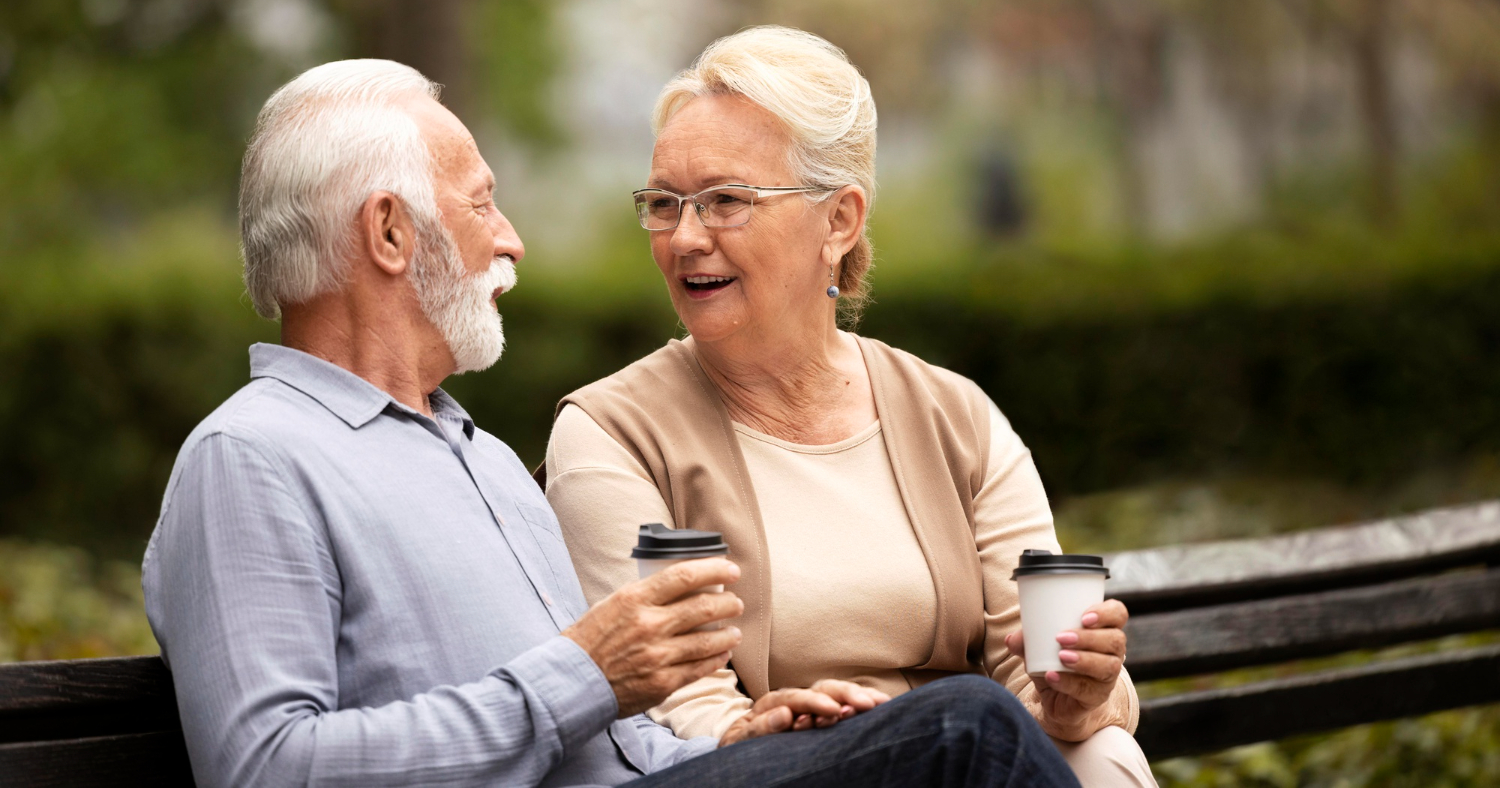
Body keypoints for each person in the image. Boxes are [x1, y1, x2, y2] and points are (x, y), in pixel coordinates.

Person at [142, 58, 1083, 788]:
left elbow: (610, 740)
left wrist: (748, 739)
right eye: (481, 203)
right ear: (389, 233)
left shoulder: (485, 460)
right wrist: (581, 676)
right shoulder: (252, 458)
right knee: (967, 730)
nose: (511, 238)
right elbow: (265, 769)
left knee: (943, 737)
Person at [545, 27, 1157, 787]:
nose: (685, 237)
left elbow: (1030, 664)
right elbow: (674, 699)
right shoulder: (613, 433)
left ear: (839, 220)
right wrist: (750, 727)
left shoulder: (953, 415)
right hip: (780, 771)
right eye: (664, 204)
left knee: (1102, 753)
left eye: (725, 201)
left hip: (965, 759)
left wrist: (1076, 697)